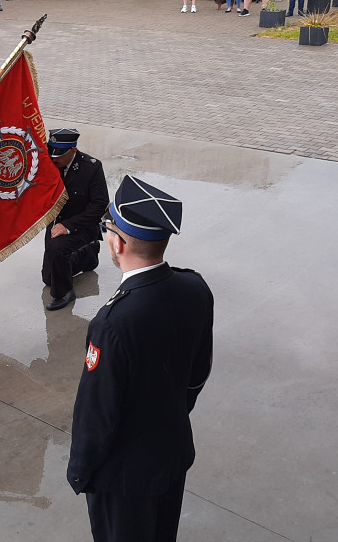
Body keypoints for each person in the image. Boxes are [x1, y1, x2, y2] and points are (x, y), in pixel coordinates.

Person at [67, 175, 214, 542]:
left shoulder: (112, 323)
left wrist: (81, 471)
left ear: (116, 242)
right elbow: (198, 373)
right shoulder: (195, 288)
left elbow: (97, 412)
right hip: (172, 454)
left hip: (124, 478)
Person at [41, 128, 108, 311]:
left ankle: (64, 293)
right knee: (48, 278)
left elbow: (99, 206)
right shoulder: (50, 164)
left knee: (56, 250)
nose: (54, 159)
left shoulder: (92, 168)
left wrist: (68, 226)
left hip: (82, 225)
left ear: (73, 151)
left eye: (59, 155)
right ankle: (87, 256)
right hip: (56, 224)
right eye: (52, 153)